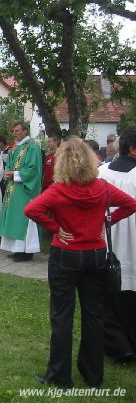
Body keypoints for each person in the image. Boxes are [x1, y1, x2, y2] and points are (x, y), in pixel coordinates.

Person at [25, 137, 136, 388]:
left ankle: (59, 376)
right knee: (94, 315)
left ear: (62, 163)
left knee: (62, 316)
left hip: (66, 256)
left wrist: (56, 228)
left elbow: (31, 209)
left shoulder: (58, 190)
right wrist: (105, 224)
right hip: (96, 256)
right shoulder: (102, 188)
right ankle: (94, 374)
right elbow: (130, 204)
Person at [98, 125, 136, 362]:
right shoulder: (103, 172)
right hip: (124, 240)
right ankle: (125, 346)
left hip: (106, 241)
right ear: (132, 149)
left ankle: (120, 346)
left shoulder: (101, 173)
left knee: (110, 297)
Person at [0, 122, 42, 261]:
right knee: (13, 218)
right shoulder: (16, 147)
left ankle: (26, 251)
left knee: (22, 219)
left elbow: (33, 170)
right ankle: (16, 249)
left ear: (25, 131)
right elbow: (10, 165)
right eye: (13, 131)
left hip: (24, 189)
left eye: (17, 131)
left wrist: (15, 174)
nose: (14, 133)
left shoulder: (32, 148)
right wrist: (7, 172)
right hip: (13, 188)